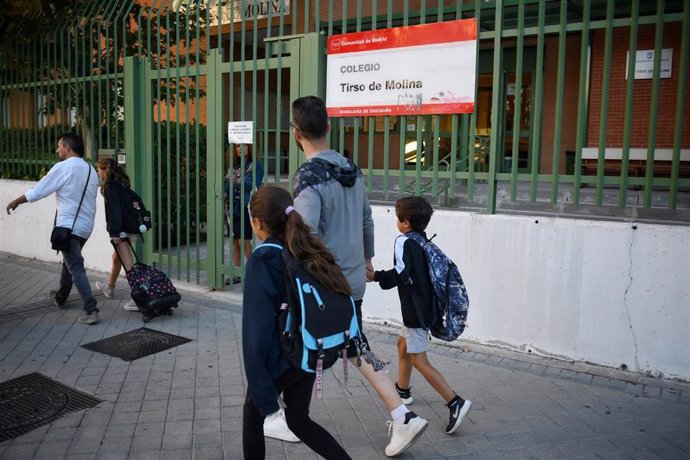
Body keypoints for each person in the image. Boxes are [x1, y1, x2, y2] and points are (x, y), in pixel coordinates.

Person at [290, 96, 428, 457]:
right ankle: (402, 415)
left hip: (323, 284)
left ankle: (276, 412)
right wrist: (367, 260)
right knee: (355, 346)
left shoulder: (308, 176)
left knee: (295, 341)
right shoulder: (351, 168)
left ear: (296, 133)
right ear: (329, 128)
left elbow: (306, 235)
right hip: (351, 279)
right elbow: (367, 219)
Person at [242, 185, 351, 460]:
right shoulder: (306, 248)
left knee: (252, 417)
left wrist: (263, 392)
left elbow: (255, 334)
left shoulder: (262, 259)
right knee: (299, 420)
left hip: (282, 357)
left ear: (257, 223)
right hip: (310, 350)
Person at [367, 196, 473, 435]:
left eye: (397, 218)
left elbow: (403, 274)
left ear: (405, 222)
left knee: (419, 360)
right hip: (425, 307)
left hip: (415, 311)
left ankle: (455, 401)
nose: (397, 222)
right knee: (402, 345)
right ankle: (402, 391)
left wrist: (376, 277)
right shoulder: (424, 241)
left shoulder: (403, 241)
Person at [5, 132, 100, 325]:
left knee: (75, 267)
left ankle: (90, 310)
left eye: (59, 146)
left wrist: (17, 201)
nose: (57, 149)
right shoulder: (91, 170)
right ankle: (60, 296)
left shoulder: (64, 167)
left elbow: (39, 190)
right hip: (85, 227)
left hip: (67, 227)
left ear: (67, 147)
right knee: (70, 263)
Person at [94, 158, 138, 311]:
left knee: (128, 264)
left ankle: (138, 297)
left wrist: (115, 233)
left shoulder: (110, 187)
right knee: (116, 258)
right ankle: (110, 287)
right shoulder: (122, 183)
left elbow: (115, 212)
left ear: (104, 169)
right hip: (130, 227)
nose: (97, 173)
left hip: (121, 230)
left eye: (98, 169)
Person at [225, 143, 264, 285]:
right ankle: (238, 273)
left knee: (244, 241)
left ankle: (256, 272)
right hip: (233, 208)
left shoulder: (256, 165)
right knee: (235, 242)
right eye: (238, 147)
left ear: (250, 148)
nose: (241, 149)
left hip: (246, 207)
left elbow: (255, 184)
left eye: (244, 146)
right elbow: (227, 185)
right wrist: (224, 193)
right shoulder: (233, 167)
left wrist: (239, 180)